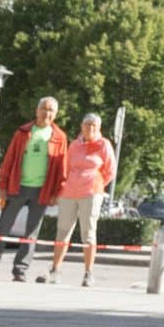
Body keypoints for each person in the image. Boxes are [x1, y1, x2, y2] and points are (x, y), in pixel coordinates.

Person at [0, 97, 67, 282]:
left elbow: (62, 168)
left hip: (42, 190)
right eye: (44, 109)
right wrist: (2, 186)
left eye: (51, 110)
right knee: (3, 227)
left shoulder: (60, 137)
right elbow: (9, 160)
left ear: (55, 114)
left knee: (31, 233)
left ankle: (20, 270)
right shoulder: (23, 132)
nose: (46, 113)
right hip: (17, 187)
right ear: (37, 110)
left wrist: (57, 192)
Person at [39, 113, 116, 286]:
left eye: (94, 125)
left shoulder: (104, 144)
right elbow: (66, 166)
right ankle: (55, 269)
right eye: (88, 124)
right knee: (62, 231)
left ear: (99, 128)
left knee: (88, 232)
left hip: (91, 191)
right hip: (69, 192)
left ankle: (88, 273)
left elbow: (110, 170)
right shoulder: (74, 144)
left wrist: (96, 182)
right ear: (82, 126)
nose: (91, 128)